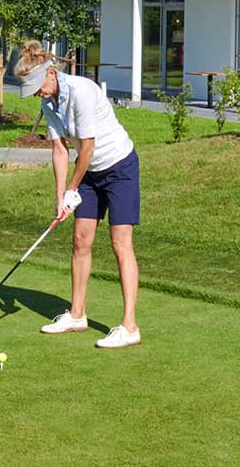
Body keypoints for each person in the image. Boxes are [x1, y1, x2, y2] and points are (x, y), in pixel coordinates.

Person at [15, 40, 141, 348]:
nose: (36, 93)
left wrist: (73, 188)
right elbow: (59, 150)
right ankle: (77, 314)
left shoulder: (82, 92)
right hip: (89, 172)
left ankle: (129, 326)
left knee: (119, 243)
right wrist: (61, 197)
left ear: (51, 73)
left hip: (119, 167)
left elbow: (87, 147)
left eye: (37, 85)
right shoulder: (48, 102)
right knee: (80, 240)